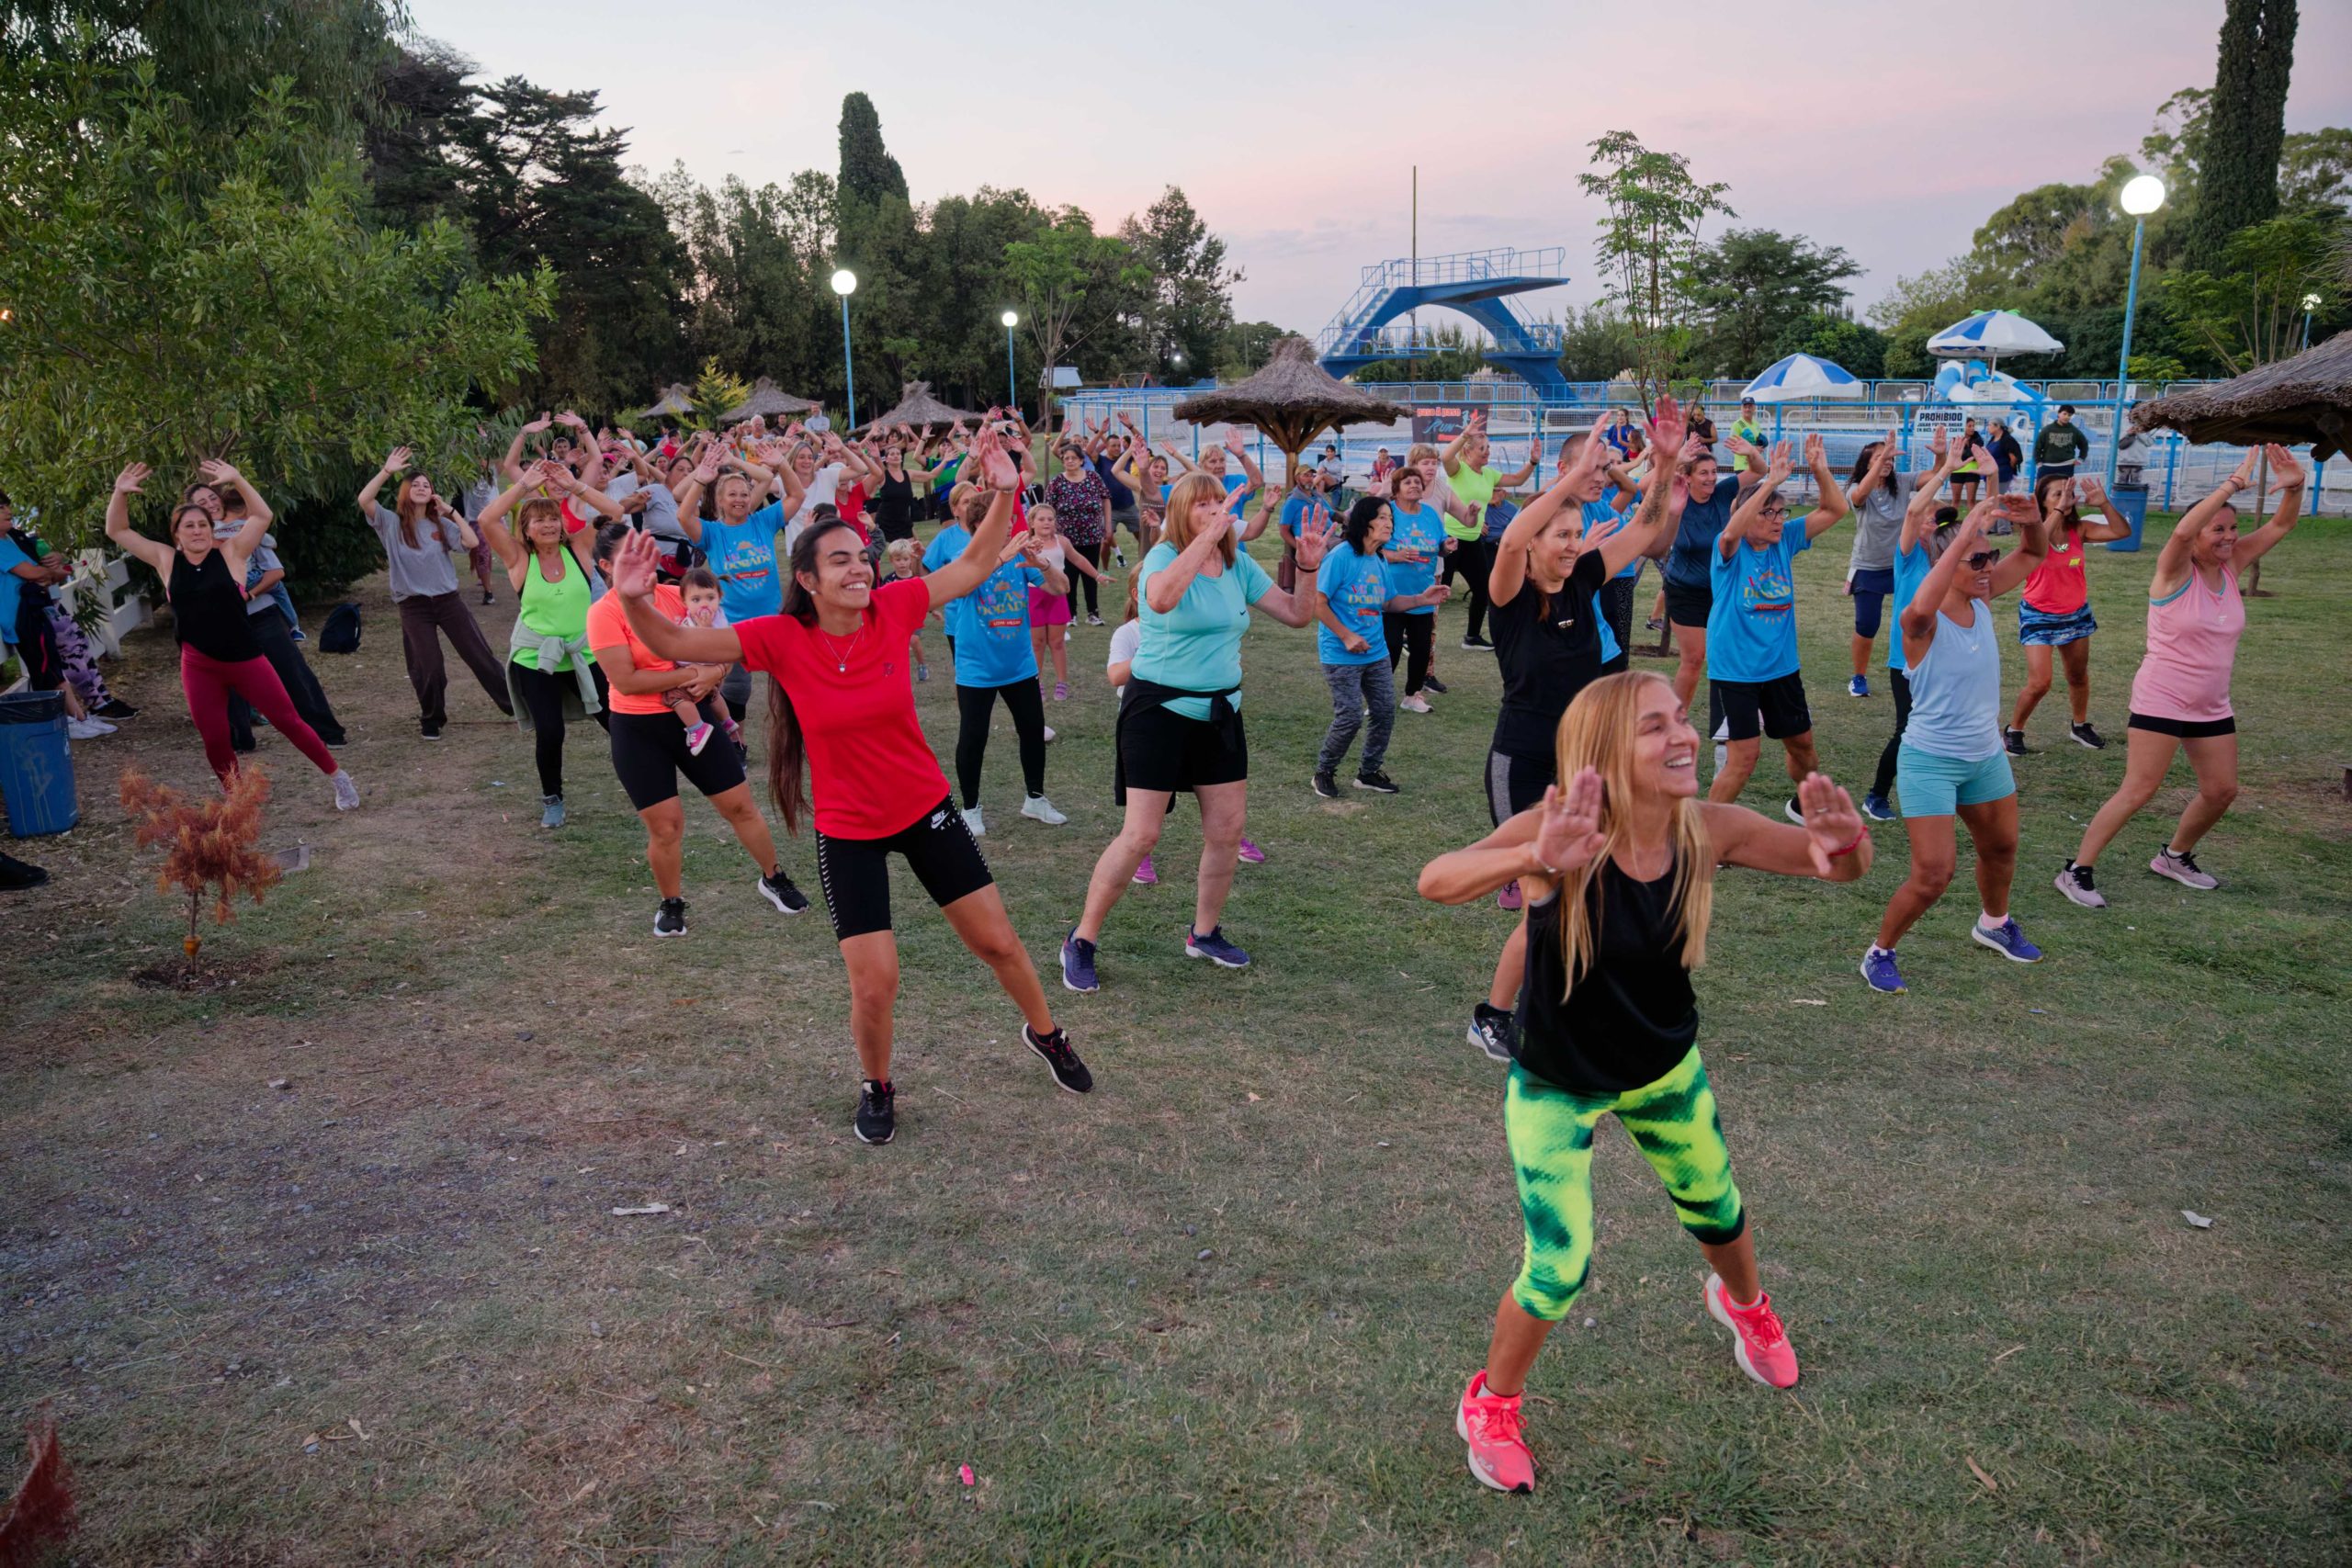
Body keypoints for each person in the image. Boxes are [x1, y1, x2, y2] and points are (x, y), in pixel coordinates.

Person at [1419, 672, 1873, 1495]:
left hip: (1664, 1070)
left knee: (1718, 1208)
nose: (1685, 736)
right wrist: (1532, 858)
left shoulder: (1709, 829)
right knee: (1558, 1267)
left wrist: (1845, 846)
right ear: (1604, 753)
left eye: (1683, 719)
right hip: (1556, 1085)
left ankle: (1744, 1306)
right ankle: (1490, 1403)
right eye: (1655, 726)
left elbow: (1835, 868)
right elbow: (1436, 879)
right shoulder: (1562, 831)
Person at [605, 429, 1092, 1146]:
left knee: (999, 943)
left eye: (862, 556)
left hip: (923, 808)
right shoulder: (780, 637)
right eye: (841, 560)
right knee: (875, 982)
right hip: (849, 829)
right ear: (807, 579)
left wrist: (1006, 489)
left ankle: (1047, 1033)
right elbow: (675, 644)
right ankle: (877, 1084)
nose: (860, 567)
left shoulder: (893, 608)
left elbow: (974, 563)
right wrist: (633, 600)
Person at [1466, 411, 1690, 1061]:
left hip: (1585, 764)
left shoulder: (1585, 577)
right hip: (1524, 764)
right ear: (1536, 542)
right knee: (1550, 898)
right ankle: (1493, 1016)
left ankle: (1570, 1003)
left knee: (1596, 888)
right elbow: (1511, 541)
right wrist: (1573, 476)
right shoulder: (1509, 596)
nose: (1570, 545)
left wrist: (1664, 463)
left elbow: (1645, 529)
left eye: (1574, 535)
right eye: (1559, 536)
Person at [1058, 477, 1335, 989]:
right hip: (1158, 710)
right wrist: (1209, 535)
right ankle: (1081, 939)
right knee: (1141, 835)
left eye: (1219, 503)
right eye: (1203, 504)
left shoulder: (1237, 565)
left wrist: (1308, 565)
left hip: (1220, 711)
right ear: (1182, 511)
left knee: (1227, 831)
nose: (1214, 511)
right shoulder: (1162, 560)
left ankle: (1204, 933)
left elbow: (1298, 615)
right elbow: (1162, 600)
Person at [2056, 446, 2304, 908]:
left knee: (2221, 790)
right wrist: (2232, 483)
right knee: (2140, 788)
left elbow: (2282, 525)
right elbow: (2182, 531)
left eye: (2232, 528)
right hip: (2163, 698)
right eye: (2218, 529)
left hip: (2211, 703)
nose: (2229, 537)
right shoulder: (2174, 572)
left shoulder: (2231, 565)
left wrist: (2295, 487)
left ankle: (2174, 856)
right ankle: (2076, 870)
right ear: (2197, 536)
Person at [1860, 494, 2049, 994]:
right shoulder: (1920, 623)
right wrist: (1964, 534)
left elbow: (2033, 554)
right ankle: (1880, 952)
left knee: (2002, 848)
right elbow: (1922, 606)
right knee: (1934, 874)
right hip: (1930, 762)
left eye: (1990, 557)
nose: (1989, 568)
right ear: (1947, 563)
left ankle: (1994, 923)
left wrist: (2033, 522)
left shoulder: (1979, 599)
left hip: (1984, 757)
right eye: (1977, 560)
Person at [104, 462, 358, 808]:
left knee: (288, 721)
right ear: (177, 534)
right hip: (199, 664)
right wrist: (119, 492)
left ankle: (339, 778)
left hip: (246, 659)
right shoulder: (166, 560)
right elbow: (117, 530)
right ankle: (236, 799)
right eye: (189, 526)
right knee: (215, 738)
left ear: (212, 530)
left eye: (203, 525)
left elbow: (262, 516)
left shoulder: (231, 554)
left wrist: (237, 478)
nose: (197, 531)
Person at [1705, 435, 1851, 814]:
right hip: (1735, 669)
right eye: (1767, 513)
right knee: (1744, 756)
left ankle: (1804, 805)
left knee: (1803, 746)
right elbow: (1731, 532)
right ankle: (1705, 832)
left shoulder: (1785, 540)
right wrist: (1769, 480)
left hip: (1781, 667)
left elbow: (1836, 509)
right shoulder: (1729, 549)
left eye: (1780, 513)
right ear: (1746, 514)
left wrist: (1820, 469)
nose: (1777, 521)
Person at [473, 463, 612, 829]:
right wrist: (522, 486)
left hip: (582, 652)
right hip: (536, 658)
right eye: (539, 520)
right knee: (551, 732)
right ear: (526, 529)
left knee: (619, 721)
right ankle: (553, 799)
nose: (549, 525)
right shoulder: (519, 557)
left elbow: (615, 512)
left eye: (553, 518)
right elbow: (487, 519)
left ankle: (646, 780)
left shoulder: (579, 548)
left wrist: (575, 485)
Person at [924, 486, 1070, 834]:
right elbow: (962, 586)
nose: (1009, 526)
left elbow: (1061, 587)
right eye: (1002, 519)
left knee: (1032, 731)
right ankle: (970, 808)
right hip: (977, 667)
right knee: (973, 737)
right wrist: (1002, 556)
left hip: (1019, 665)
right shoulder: (966, 556)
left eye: (1010, 519)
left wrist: (1042, 564)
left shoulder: (1020, 558)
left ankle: (1035, 799)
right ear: (981, 523)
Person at [358, 448, 521, 739]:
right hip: (414, 607)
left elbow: (471, 542)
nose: (422, 488)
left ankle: (517, 707)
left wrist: (451, 512)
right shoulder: (391, 523)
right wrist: (387, 471)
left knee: (480, 656)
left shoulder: (440, 524)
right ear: (405, 491)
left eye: (426, 485)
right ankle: (432, 719)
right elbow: (364, 500)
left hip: (448, 602)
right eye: (415, 484)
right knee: (429, 666)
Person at [1860, 430, 1968, 822]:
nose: (1936, 526)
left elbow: (1979, 526)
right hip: (1906, 661)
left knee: (1946, 725)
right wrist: (1946, 469)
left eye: (1940, 522)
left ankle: (1942, 786)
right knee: (1907, 728)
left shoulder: (1946, 558)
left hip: (1944, 657)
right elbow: (1911, 512)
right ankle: (1876, 794)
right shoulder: (1907, 557)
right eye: (1931, 520)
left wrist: (1989, 482)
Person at [1309, 495, 1442, 798]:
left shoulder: (1379, 559)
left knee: (1384, 712)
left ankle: (1368, 773)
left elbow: (1389, 602)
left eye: (1390, 519)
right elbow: (1317, 602)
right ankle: (1324, 772)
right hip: (1340, 654)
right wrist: (1346, 636)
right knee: (1350, 716)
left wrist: (1421, 599)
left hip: (1376, 652)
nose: (1389, 523)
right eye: (1382, 517)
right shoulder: (1341, 557)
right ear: (1364, 521)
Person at [668, 436, 808, 716]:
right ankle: (736, 737)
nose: (740, 500)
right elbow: (684, 517)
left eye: (744, 494)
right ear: (720, 501)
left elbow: (797, 496)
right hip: (732, 627)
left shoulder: (763, 521)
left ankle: (796, 727)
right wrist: (700, 479)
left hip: (773, 620)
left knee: (790, 686)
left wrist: (782, 464)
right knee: (735, 693)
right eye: (732, 495)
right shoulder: (713, 532)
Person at [2005, 472, 2134, 755]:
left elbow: (2122, 532)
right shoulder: (2031, 530)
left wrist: (2104, 504)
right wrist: (2059, 511)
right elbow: (2039, 539)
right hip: (2038, 615)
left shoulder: (2081, 529)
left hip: (2076, 615)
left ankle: (2079, 725)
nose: (2067, 498)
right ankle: (2013, 730)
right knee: (2040, 683)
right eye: (2058, 494)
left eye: (2069, 493)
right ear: (2043, 502)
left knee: (2078, 676)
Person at [219, 513, 349, 755]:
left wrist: (248, 595)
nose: (209, 506)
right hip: (223, 622)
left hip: (261, 615)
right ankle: (239, 740)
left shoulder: (245, 532)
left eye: (212, 500)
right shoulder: (195, 542)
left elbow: (275, 572)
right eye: (202, 503)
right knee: (229, 682)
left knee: (293, 672)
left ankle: (327, 731)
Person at [2, 501, 112, 740]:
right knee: (45, 667)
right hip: (22, 617)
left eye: (7, 506)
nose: (8, 511)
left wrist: (49, 570)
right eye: (1, 508)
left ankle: (77, 717)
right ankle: (64, 720)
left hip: (35, 611)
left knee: (52, 664)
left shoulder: (12, 541)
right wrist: (45, 574)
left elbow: (45, 571)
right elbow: (34, 573)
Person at [1442, 412, 1539, 651]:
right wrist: (1464, 435)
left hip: (1473, 540)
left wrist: (1533, 462)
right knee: (1438, 591)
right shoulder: (1458, 470)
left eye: (1488, 448)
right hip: (1449, 539)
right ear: (1468, 451)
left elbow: (1517, 479)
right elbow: (1445, 456)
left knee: (1483, 589)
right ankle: (1410, 634)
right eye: (1482, 448)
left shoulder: (1489, 474)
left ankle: (1472, 637)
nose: (1487, 452)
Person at [1660, 444, 1741, 715]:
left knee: (1730, 653)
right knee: (1694, 659)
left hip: (1721, 588)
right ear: (1688, 477)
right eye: (1703, 473)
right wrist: (1676, 459)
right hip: (1685, 590)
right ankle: (1675, 718)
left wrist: (1751, 453)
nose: (1711, 478)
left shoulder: (1722, 493)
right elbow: (1654, 483)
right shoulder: (1678, 498)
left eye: (1714, 472)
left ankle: (1736, 714)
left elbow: (1758, 471)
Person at [1838, 429, 1908, 700]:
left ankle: (1914, 670)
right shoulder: (1856, 488)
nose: (1887, 461)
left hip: (1900, 565)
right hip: (1868, 565)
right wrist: (1880, 463)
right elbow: (1859, 497)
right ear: (1867, 464)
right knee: (1867, 625)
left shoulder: (1901, 482)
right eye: (1880, 458)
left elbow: (1933, 476)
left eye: (1889, 458)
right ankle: (1859, 677)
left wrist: (1941, 458)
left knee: (1914, 619)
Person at [1379, 465, 1452, 714]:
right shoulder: (1387, 514)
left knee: (1421, 649)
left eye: (1417, 482)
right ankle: (1378, 697)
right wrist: (1396, 556)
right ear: (1396, 489)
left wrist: (1447, 545)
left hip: (1423, 594)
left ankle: (1412, 695)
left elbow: (1440, 545)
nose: (1414, 485)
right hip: (1392, 595)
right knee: (1390, 647)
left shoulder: (1429, 514)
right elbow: (1372, 548)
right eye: (1408, 482)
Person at [1025, 502, 1108, 702]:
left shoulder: (1062, 542)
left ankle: (1062, 682)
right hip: (1034, 596)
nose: (1046, 522)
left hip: (1057, 596)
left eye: (1050, 519)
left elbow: (1078, 560)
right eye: (1041, 519)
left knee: (1057, 642)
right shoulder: (1026, 543)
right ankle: (1036, 682)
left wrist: (1097, 575)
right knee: (1036, 643)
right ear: (1032, 523)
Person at [1044, 441, 1112, 626]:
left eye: (1074, 458)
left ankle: (1093, 613)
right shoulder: (1057, 482)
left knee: (1091, 575)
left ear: (1082, 460)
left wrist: (1107, 524)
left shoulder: (1093, 478)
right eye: (1066, 458)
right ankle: (1070, 614)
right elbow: (1048, 508)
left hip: (1092, 536)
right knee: (1069, 576)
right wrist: (1051, 531)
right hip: (1067, 538)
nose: (1070, 461)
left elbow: (1106, 499)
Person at [882, 537, 931, 682]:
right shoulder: (889, 579)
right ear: (891, 560)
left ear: (911, 559)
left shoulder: (915, 579)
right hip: (895, 619)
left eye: (905, 559)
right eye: (898, 560)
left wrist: (932, 610)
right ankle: (890, 668)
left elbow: (924, 597)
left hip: (913, 617)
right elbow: (883, 598)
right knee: (893, 645)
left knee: (913, 640)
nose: (902, 563)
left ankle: (922, 665)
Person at [2033, 404, 2091, 482]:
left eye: (2069, 415)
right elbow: (2037, 447)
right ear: (2059, 413)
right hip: (2047, 466)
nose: (2067, 417)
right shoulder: (2047, 430)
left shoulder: (2074, 431)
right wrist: (2038, 462)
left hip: (2066, 467)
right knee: (2042, 488)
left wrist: (2081, 458)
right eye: (2064, 414)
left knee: (2066, 489)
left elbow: (2084, 444)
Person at [1984, 418, 2024, 495]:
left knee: (1999, 498)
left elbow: (2014, 458)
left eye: (1989, 425)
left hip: (2001, 476)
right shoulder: (1993, 439)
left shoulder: (2007, 440)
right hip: (1990, 475)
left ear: (1998, 426)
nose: (1988, 427)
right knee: (1990, 498)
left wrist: (2006, 470)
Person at [1950, 419, 1983, 507]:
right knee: (1955, 499)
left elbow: (1977, 455)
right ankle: (1951, 516)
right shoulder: (1955, 439)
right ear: (1963, 427)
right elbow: (1953, 455)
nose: (1972, 428)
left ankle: (1973, 516)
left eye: (1973, 426)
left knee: (1971, 500)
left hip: (1972, 471)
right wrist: (1969, 454)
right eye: (1969, 426)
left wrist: (1965, 454)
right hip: (1957, 471)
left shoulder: (1978, 439)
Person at [1729, 399, 1763, 473]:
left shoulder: (1756, 424)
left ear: (1754, 408)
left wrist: (1760, 448)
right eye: (1745, 407)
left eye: (1750, 407)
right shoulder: (1737, 424)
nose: (1747, 409)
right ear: (1741, 408)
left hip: (1754, 464)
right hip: (1742, 466)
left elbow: (1759, 442)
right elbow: (1732, 444)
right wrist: (1753, 449)